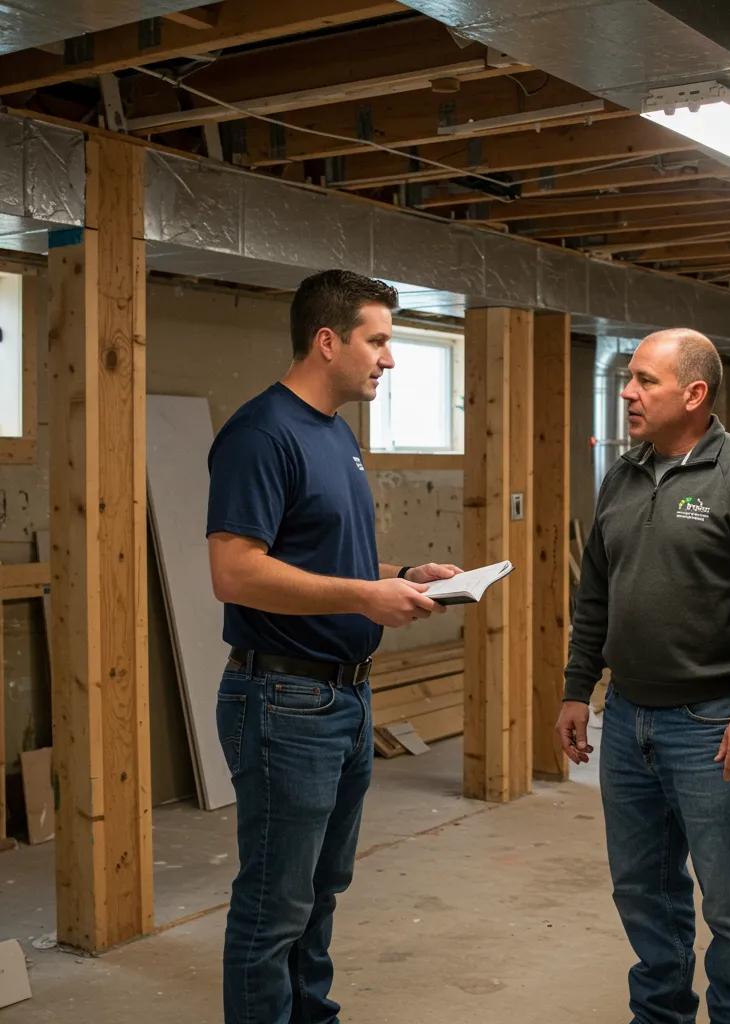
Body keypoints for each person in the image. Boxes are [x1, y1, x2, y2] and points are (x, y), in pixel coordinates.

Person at [206, 269, 459, 1024]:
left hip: (343, 696)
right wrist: (363, 596)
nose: (389, 359)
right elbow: (234, 572)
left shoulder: (336, 436)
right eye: (377, 340)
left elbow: (323, 560)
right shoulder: (262, 434)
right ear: (327, 341)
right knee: (274, 900)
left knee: (320, 889)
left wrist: (404, 577)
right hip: (285, 699)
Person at [555, 329, 730, 1024]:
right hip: (628, 716)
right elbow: (594, 597)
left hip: (711, 725)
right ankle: (660, 1015)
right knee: (643, 890)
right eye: (628, 378)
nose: (627, 392)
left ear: (694, 394)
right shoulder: (623, 475)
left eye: (645, 381)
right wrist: (579, 688)